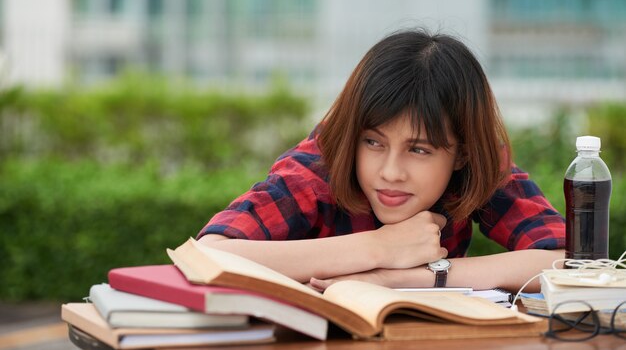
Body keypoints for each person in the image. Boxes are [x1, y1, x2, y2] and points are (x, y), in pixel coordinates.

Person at [196, 29, 565, 292]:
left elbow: (572, 260)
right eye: (373, 142)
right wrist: (379, 247)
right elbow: (209, 253)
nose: (390, 172)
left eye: (419, 150)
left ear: (462, 153)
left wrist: (415, 275)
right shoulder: (321, 163)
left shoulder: (479, 165)